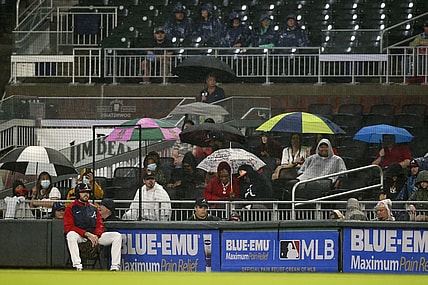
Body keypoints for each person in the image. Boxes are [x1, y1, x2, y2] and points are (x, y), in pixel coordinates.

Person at [64, 183, 122, 271]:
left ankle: (114, 266)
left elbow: (100, 224)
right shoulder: (71, 208)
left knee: (117, 236)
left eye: (87, 192)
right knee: (71, 235)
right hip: (80, 236)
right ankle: (77, 265)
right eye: (83, 192)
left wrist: (96, 235)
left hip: (95, 237)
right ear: (77, 193)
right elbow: (69, 227)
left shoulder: (93, 208)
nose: (86, 194)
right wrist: (86, 234)